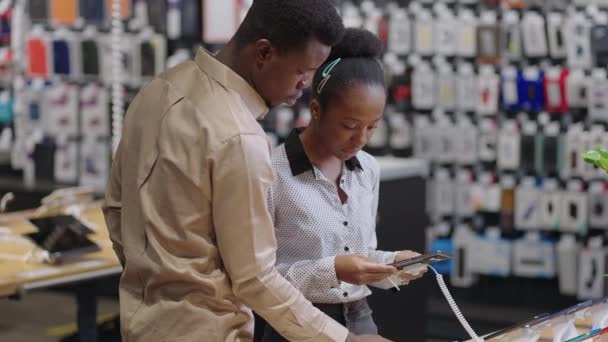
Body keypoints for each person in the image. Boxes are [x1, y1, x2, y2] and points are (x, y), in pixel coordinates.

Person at [102, 0, 395, 341]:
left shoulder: (158, 90)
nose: (304, 86)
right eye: (302, 71)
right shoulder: (240, 138)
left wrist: (152, 281)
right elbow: (255, 278)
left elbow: (116, 209)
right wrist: (343, 339)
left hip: (143, 323)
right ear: (264, 53)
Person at [260, 28, 427, 341]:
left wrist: (392, 263)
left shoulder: (367, 169)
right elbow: (259, 280)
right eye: (349, 126)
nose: (360, 140)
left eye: (372, 128)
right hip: (296, 323)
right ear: (316, 110)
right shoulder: (271, 173)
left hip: (360, 315)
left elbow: (360, 255)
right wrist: (333, 269)